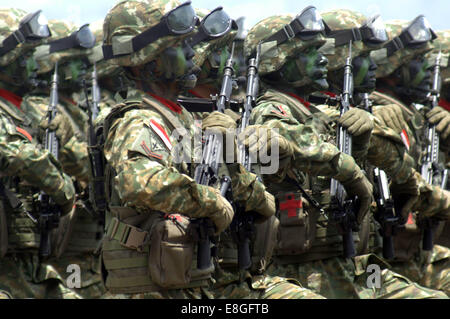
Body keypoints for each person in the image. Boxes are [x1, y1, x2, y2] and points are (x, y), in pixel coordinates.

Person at [242, 8, 448, 299]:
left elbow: (400, 168)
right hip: (306, 270)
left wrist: (367, 135)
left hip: (356, 265)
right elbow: (292, 140)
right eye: (310, 53)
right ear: (279, 60)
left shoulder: (316, 112)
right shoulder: (270, 110)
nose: (323, 58)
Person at [0, 8, 77, 299]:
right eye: (25, 57)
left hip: (25, 255)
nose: (35, 64)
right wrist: (62, 187)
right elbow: (15, 154)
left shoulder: (20, 111)